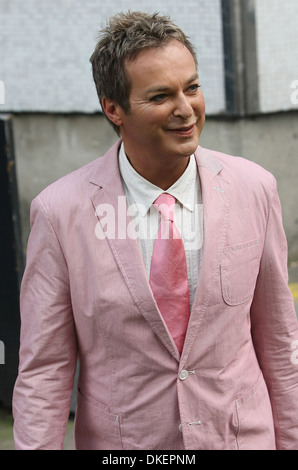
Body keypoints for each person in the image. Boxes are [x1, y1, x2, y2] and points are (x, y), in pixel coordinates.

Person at [13, 11, 298, 450]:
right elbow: (45, 369)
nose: (186, 109)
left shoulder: (254, 188)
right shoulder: (58, 212)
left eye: (193, 87)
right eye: (162, 95)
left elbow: (280, 343)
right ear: (114, 109)